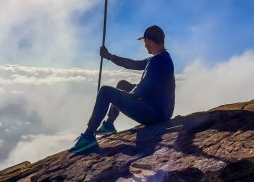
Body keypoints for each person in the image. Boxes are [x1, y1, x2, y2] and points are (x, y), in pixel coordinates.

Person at [69, 25, 175, 153]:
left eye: (144, 42)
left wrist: (120, 99)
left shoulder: (158, 62)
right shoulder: (160, 58)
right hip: (158, 110)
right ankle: (109, 125)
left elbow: (140, 91)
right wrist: (109, 56)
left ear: (149, 41)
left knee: (105, 92)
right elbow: (132, 64)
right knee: (122, 84)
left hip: (155, 116)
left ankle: (88, 136)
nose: (144, 45)